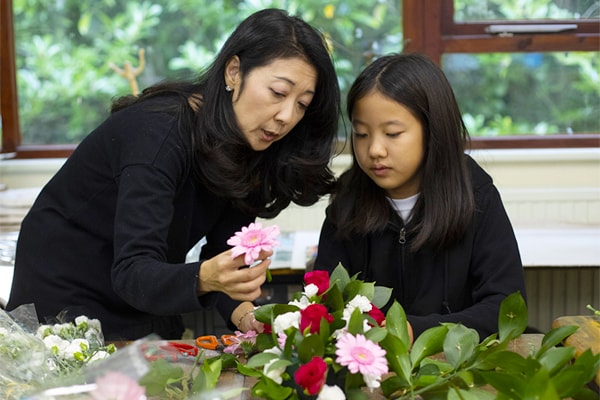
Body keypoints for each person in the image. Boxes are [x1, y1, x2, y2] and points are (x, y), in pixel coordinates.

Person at [7, 8, 340, 341]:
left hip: (140, 292)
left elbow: (222, 256)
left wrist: (248, 316)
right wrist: (206, 276)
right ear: (234, 72)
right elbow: (134, 270)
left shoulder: (248, 142)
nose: (286, 116)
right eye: (278, 93)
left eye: (302, 104)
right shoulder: (159, 135)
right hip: (63, 296)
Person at [314, 53, 526, 343]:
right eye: (361, 134)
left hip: (459, 362)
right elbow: (324, 303)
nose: (374, 149)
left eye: (392, 133)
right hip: (369, 361)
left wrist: (416, 331)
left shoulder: (475, 195)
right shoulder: (347, 201)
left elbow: (505, 308)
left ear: (432, 130)